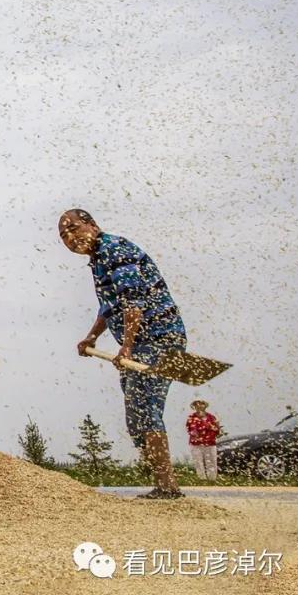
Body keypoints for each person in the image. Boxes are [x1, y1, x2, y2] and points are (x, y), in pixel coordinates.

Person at [58, 209, 187, 500]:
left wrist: (126, 346)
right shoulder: (97, 261)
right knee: (135, 418)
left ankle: (168, 487)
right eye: (63, 235)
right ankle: (162, 480)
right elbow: (110, 307)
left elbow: (132, 300)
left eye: (74, 228)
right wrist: (91, 337)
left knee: (146, 411)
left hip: (158, 339)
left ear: (92, 225)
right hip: (139, 345)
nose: (70, 237)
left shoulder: (115, 250)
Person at [186, 400, 220, 481]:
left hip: (210, 443)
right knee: (198, 462)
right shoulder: (191, 417)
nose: (199, 405)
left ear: (205, 405)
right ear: (194, 406)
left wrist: (214, 427)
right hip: (196, 444)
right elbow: (190, 429)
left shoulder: (211, 417)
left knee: (211, 462)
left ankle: (212, 480)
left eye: (201, 403)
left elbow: (217, 431)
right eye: (196, 404)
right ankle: (202, 479)